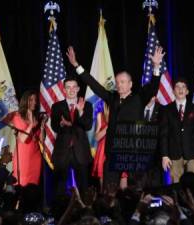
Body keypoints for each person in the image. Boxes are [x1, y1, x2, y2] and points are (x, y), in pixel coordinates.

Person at [66, 46, 164, 188]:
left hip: (133, 152)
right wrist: (77, 66)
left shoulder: (139, 98)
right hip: (113, 152)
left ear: (130, 84)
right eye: (117, 82)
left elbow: (153, 86)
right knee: (109, 189)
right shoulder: (111, 98)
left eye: (122, 82)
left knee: (134, 190)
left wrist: (156, 66)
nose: (119, 85)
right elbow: (94, 85)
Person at [51, 77, 93, 196]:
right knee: (59, 188)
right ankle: (59, 212)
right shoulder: (57, 106)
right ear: (64, 90)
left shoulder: (87, 105)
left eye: (74, 87)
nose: (71, 90)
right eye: (68, 87)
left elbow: (88, 125)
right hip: (62, 151)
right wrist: (61, 123)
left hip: (81, 151)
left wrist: (80, 112)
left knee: (84, 186)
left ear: (78, 89)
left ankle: (85, 211)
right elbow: (55, 127)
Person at [161, 78, 194, 183]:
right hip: (174, 155)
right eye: (177, 87)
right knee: (176, 186)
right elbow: (164, 134)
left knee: (192, 185)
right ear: (173, 91)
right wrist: (165, 155)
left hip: (191, 155)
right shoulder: (167, 109)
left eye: (183, 87)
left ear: (187, 91)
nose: (180, 89)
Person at [9, 90, 46, 186]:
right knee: (22, 184)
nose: (34, 102)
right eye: (31, 100)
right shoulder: (17, 117)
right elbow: (23, 138)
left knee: (33, 187)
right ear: (25, 101)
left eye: (35, 100)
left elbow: (41, 140)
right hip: (23, 156)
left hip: (35, 155)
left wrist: (42, 127)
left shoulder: (36, 117)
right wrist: (30, 124)